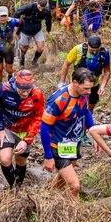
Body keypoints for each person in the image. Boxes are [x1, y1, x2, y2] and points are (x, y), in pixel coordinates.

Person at [40, 68, 95, 200]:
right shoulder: (58, 100)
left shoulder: (84, 94)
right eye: (86, 88)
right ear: (75, 83)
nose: (89, 92)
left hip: (73, 142)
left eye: (90, 88)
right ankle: (72, 211)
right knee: (74, 185)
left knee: (63, 178)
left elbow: (85, 111)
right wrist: (48, 156)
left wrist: (94, 131)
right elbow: (44, 128)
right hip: (58, 145)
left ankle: (47, 198)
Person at [0, 70, 45, 192]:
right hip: (7, 128)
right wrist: (0, 129)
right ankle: (14, 188)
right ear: (16, 85)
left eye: (27, 90)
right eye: (22, 90)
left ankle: (18, 187)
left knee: (21, 160)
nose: (25, 93)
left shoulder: (37, 94)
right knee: (5, 159)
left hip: (25, 130)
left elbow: (38, 117)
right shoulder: (4, 90)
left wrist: (27, 139)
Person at [58, 34, 110, 112]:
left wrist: (102, 86)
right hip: (78, 84)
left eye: (96, 50)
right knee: (74, 107)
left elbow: (107, 71)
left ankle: (87, 119)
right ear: (87, 44)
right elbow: (66, 64)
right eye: (92, 50)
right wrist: (62, 82)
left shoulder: (104, 53)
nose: (94, 52)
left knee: (89, 108)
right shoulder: (77, 49)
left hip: (93, 85)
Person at [14, 0, 52, 68]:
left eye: (42, 8)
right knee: (24, 48)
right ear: (37, 3)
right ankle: (22, 61)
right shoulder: (29, 6)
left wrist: (48, 30)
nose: (40, 10)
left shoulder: (46, 10)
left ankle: (34, 61)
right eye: (39, 7)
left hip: (37, 30)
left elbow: (49, 20)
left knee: (41, 48)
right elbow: (16, 13)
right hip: (25, 29)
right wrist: (17, 26)